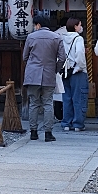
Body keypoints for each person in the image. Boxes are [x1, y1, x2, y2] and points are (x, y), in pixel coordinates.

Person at [22, 11, 66, 142]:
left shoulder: (31, 37)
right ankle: (48, 133)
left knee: (34, 103)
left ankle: (33, 132)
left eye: (35, 24)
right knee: (48, 103)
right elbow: (62, 58)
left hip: (33, 75)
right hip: (48, 74)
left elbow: (25, 57)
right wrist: (55, 69)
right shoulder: (56, 37)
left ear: (38, 25)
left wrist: (31, 67)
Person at [59, 17, 89, 131]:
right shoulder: (78, 39)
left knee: (66, 98)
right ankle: (78, 123)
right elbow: (80, 54)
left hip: (65, 70)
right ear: (75, 26)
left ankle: (66, 122)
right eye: (80, 25)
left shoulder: (62, 38)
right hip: (77, 71)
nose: (81, 27)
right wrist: (80, 67)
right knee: (79, 98)